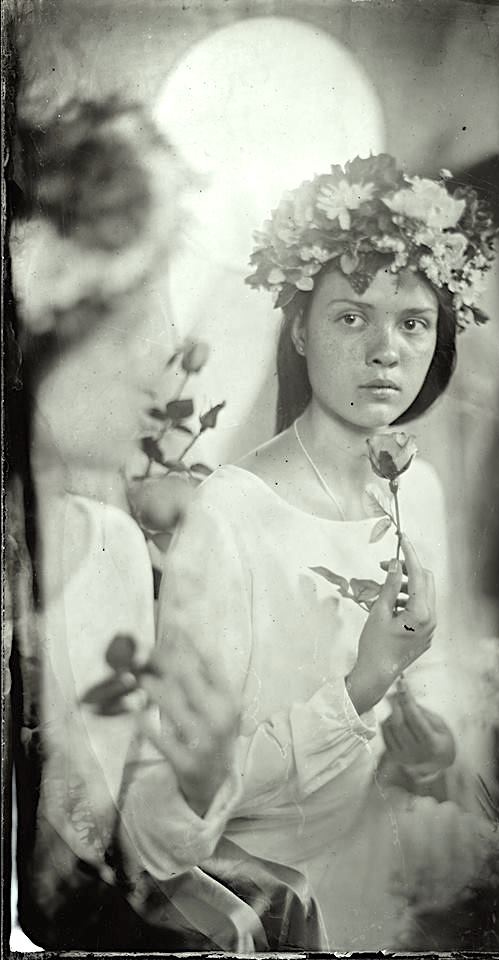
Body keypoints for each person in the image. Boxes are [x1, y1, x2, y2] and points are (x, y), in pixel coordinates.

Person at [123, 153, 499, 949]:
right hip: (271, 897)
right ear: (299, 327)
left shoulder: (418, 489)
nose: (385, 351)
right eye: (351, 317)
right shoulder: (232, 512)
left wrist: (432, 746)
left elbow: (429, 676)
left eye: (413, 322)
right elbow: (179, 805)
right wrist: (361, 686)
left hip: (385, 867)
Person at [8, 90, 319, 951]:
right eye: (137, 311)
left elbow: (133, 849)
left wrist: (198, 769)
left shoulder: (110, 546)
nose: (163, 355)